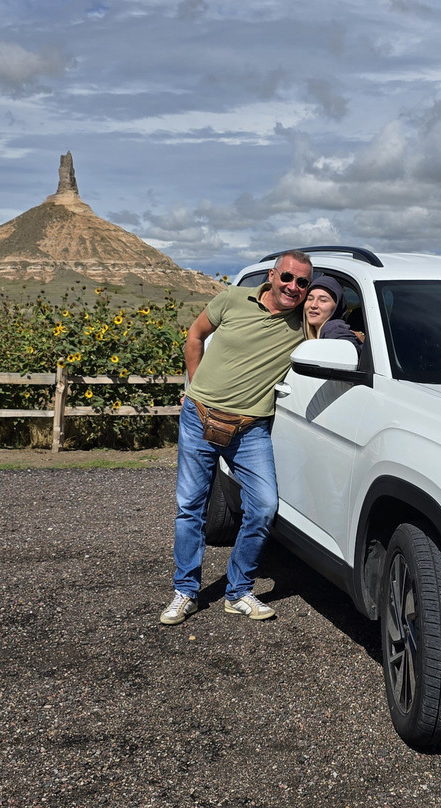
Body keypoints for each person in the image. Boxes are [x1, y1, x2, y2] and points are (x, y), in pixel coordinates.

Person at [160, 250, 313, 626]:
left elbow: (333, 333)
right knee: (190, 506)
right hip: (199, 417)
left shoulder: (303, 324)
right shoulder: (232, 298)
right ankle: (185, 591)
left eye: (303, 283)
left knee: (262, 507)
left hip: (250, 429)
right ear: (273, 275)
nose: (293, 287)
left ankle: (238, 591)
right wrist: (196, 387)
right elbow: (195, 336)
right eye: (288, 278)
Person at [302, 275, 363, 350]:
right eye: (310, 299)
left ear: (336, 307)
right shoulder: (308, 329)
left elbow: (347, 346)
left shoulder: (333, 328)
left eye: (323, 300)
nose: (313, 305)